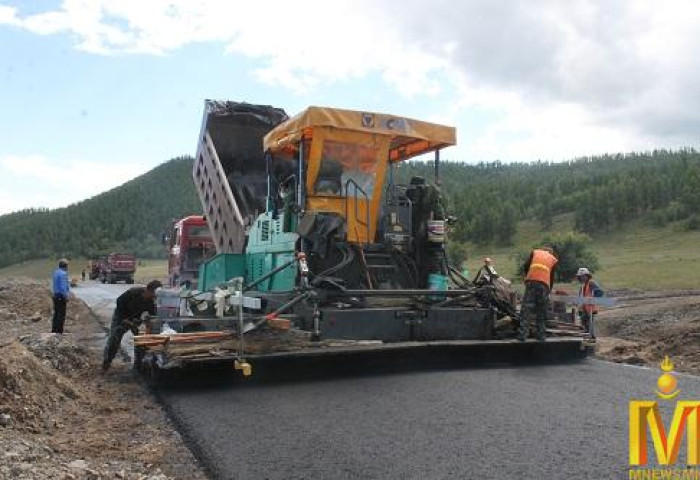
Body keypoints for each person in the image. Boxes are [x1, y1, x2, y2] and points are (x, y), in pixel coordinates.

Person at [102, 280, 162, 371]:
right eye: (154, 294)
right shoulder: (133, 292)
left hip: (135, 319)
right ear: (149, 290)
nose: (155, 297)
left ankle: (138, 364)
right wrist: (123, 318)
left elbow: (152, 315)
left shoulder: (151, 302)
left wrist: (148, 324)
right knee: (115, 337)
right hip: (122, 316)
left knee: (140, 340)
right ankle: (107, 360)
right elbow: (119, 301)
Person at [518, 246, 558, 341]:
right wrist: (548, 290)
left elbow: (525, 266)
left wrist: (528, 276)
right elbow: (552, 277)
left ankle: (523, 335)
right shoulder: (552, 259)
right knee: (541, 309)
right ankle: (541, 335)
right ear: (550, 253)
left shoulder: (535, 253)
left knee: (526, 309)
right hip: (544, 284)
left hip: (531, 281)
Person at [576, 267, 604, 340]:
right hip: (583, 309)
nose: (582, 278)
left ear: (587, 276)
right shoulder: (582, 286)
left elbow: (600, 292)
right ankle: (586, 337)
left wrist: (593, 298)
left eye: (583, 276)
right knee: (583, 324)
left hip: (590, 308)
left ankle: (592, 338)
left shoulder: (591, 283)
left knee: (590, 324)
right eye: (580, 277)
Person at [51, 258, 70, 333]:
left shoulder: (56, 272)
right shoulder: (63, 274)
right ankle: (59, 331)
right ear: (65, 266)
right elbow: (63, 287)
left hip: (55, 295)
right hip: (61, 296)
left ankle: (54, 330)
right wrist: (66, 296)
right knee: (61, 314)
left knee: (56, 314)